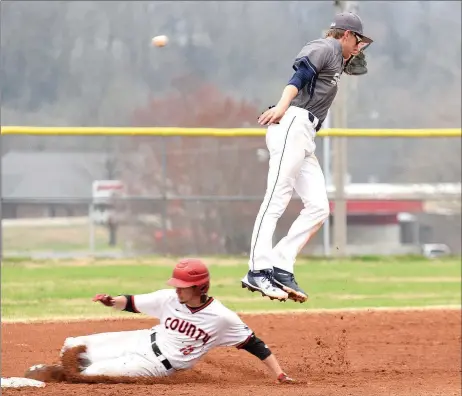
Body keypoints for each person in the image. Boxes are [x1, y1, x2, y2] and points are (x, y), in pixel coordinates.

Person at [241, 12, 373, 303]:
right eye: (358, 40)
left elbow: (352, 67)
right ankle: (257, 269)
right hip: (292, 122)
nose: (360, 47)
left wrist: (351, 57)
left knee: (318, 207)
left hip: (304, 133)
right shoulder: (325, 46)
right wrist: (281, 106)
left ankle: (280, 263)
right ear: (346, 34)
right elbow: (298, 77)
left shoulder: (338, 57)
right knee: (276, 199)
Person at [25, 258, 295, 384]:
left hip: (155, 364)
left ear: (200, 288)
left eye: (183, 286)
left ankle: (56, 377)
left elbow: (255, 344)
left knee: (91, 374)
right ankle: (56, 369)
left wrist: (280, 374)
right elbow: (131, 302)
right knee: (73, 345)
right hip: (142, 338)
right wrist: (111, 301)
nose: (177, 289)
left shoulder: (222, 318)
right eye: (176, 284)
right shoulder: (169, 298)